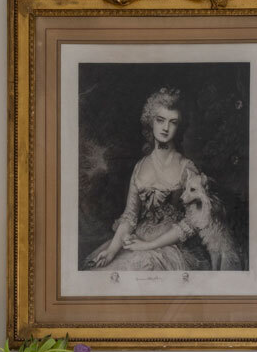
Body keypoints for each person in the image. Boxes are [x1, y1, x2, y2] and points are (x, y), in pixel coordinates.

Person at [84, 88, 208, 272]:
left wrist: (148, 246)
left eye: (172, 122)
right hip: (138, 238)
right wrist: (111, 250)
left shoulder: (186, 166)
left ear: (179, 127)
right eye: (160, 120)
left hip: (169, 246)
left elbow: (192, 222)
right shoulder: (141, 166)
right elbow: (130, 216)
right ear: (151, 122)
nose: (165, 128)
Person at [123, 170, 242, 271]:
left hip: (224, 249)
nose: (183, 196)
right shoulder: (142, 167)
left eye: (192, 190)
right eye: (186, 189)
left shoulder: (209, 210)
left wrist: (147, 245)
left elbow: (186, 227)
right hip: (154, 232)